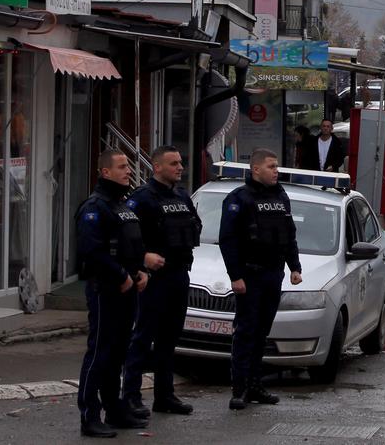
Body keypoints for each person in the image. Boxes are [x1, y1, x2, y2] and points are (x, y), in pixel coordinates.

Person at [121, 146, 201, 419]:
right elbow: (125, 237)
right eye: (173, 163)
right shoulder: (142, 198)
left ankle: (164, 396)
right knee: (142, 338)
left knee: (169, 340)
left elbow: (194, 227)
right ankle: (130, 397)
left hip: (179, 275)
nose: (180, 167)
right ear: (157, 167)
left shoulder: (182, 196)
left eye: (180, 162)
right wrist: (143, 257)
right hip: (153, 279)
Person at [220, 148, 302, 410]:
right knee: (245, 332)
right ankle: (239, 389)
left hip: (273, 274)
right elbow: (228, 240)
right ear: (256, 169)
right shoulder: (239, 199)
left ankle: (256, 386)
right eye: (271, 166)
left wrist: (295, 267)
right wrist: (235, 276)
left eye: (277, 166)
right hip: (250, 275)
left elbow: (289, 234)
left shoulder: (280, 196)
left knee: (262, 333)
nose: (276, 170)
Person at [76, 150, 148, 438]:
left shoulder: (122, 205)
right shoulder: (95, 207)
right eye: (120, 167)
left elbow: (132, 244)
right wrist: (120, 276)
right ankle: (89, 416)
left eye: (128, 166)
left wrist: (140, 270)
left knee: (118, 352)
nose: (127, 171)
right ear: (105, 172)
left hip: (128, 289)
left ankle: (115, 410)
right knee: (99, 353)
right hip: (106, 290)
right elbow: (92, 251)